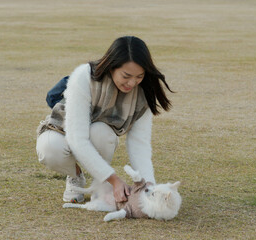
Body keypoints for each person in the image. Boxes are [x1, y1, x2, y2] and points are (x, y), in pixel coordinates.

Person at [36, 36, 173, 203]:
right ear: (112, 67)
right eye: (126, 75)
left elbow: (139, 144)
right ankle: (76, 175)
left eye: (139, 76)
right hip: (64, 129)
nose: (132, 82)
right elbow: (77, 138)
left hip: (99, 133)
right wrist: (115, 180)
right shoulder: (84, 76)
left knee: (101, 132)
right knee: (49, 149)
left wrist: (149, 187)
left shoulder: (143, 93)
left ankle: (100, 183)